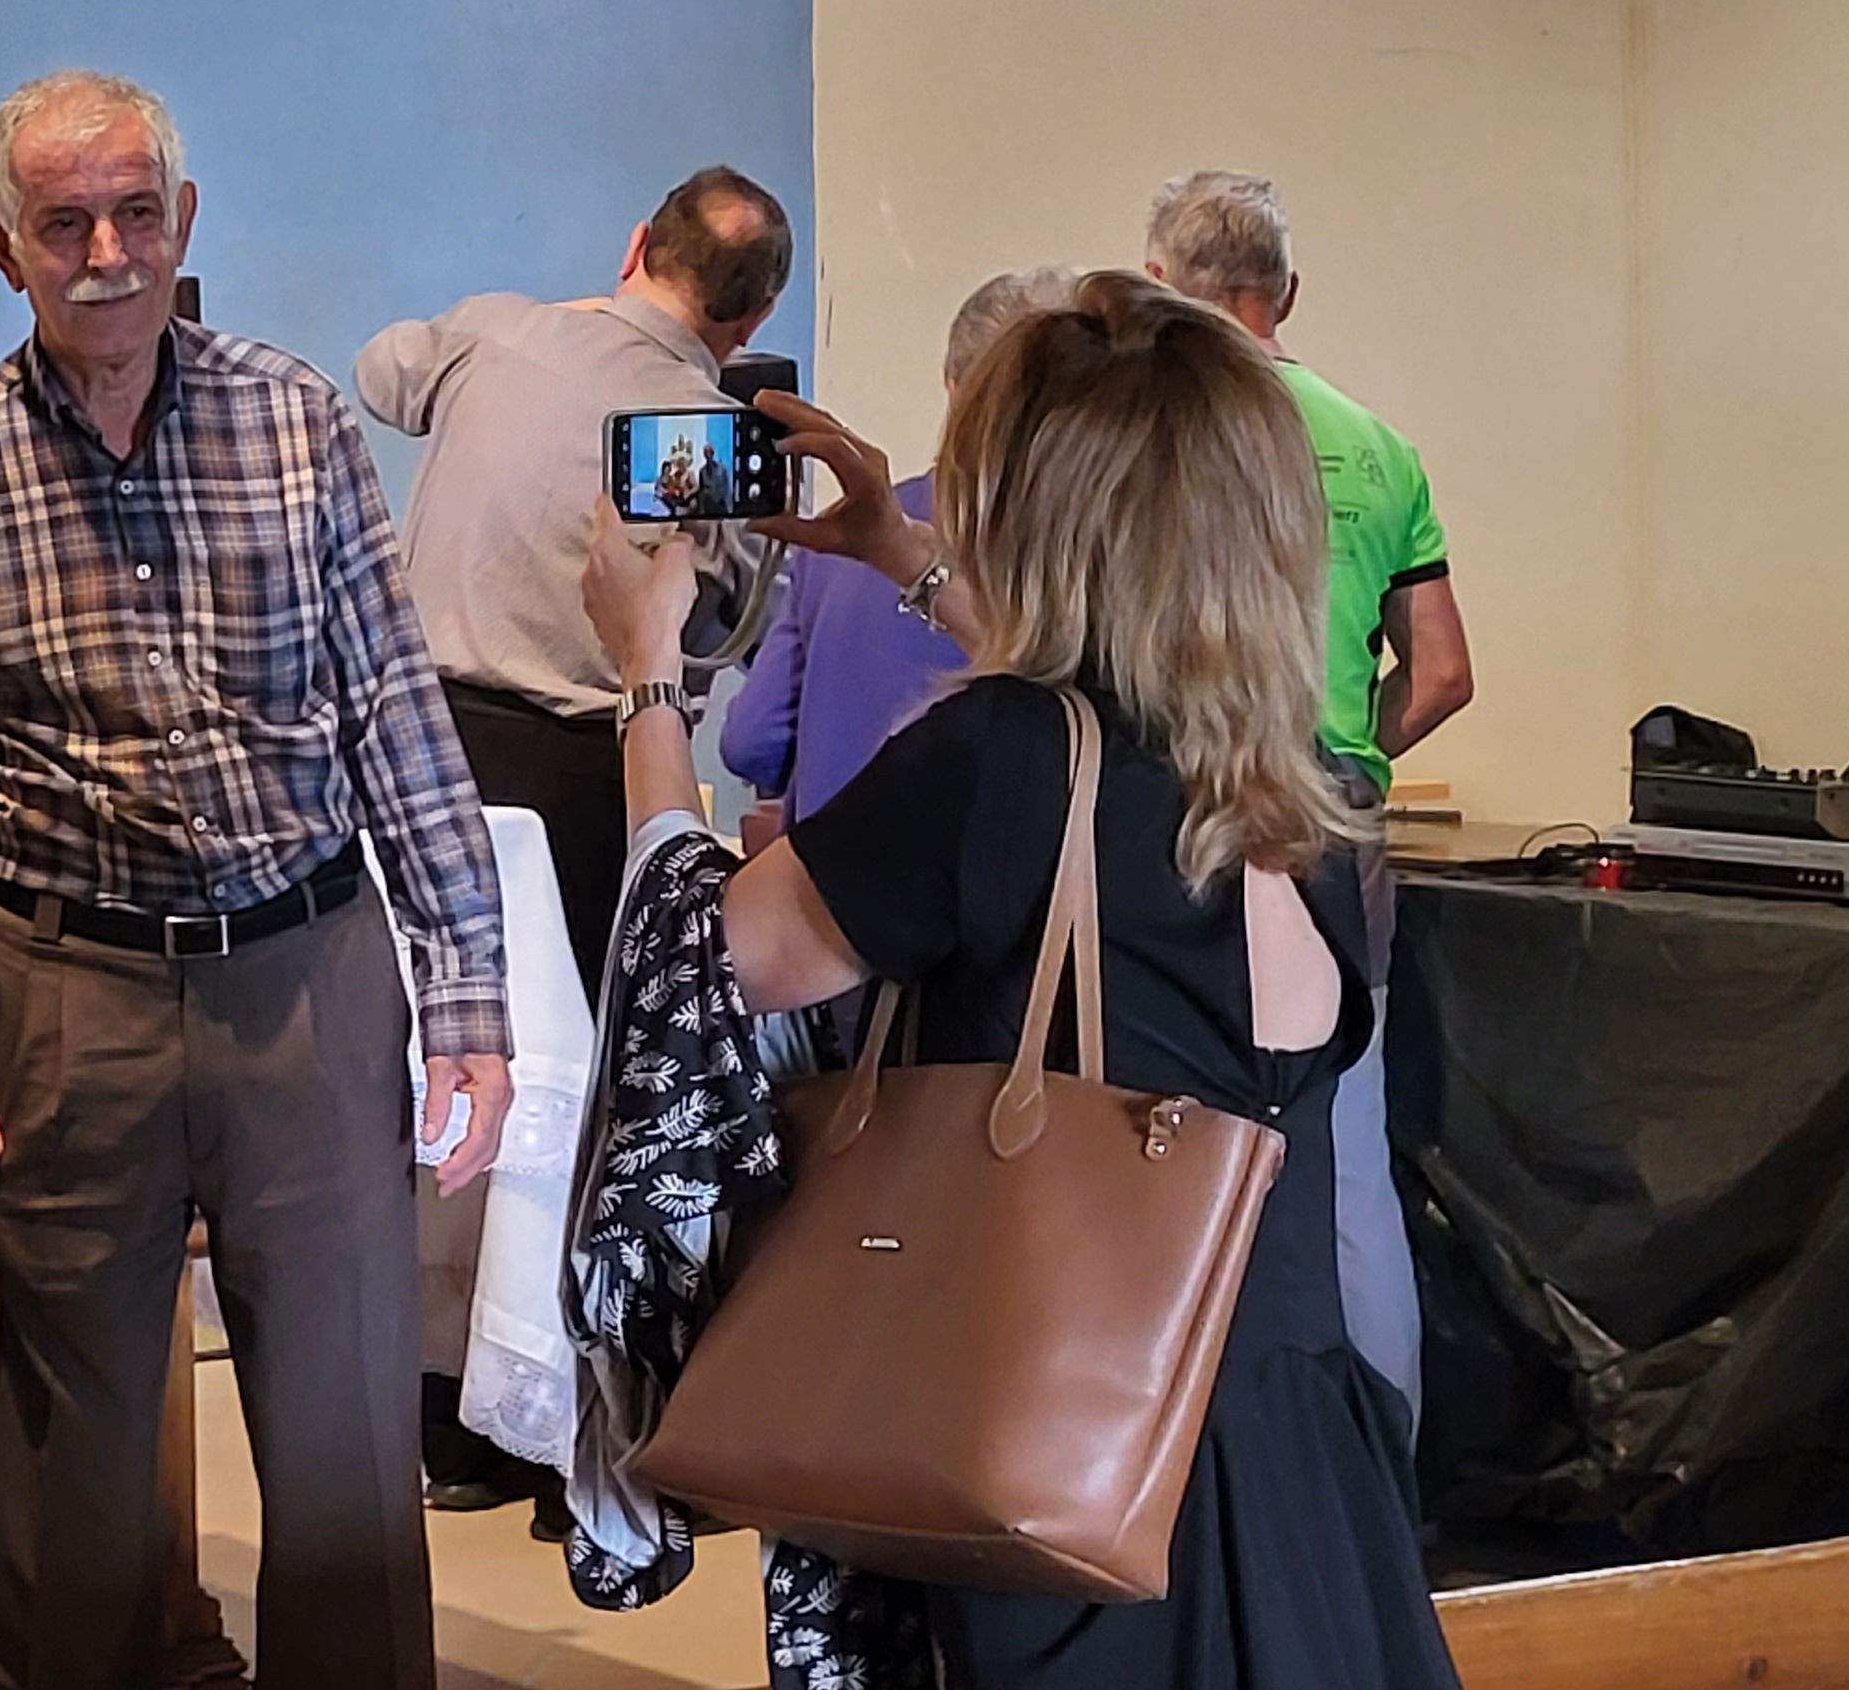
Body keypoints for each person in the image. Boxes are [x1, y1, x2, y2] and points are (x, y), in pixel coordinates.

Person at [581, 270, 1461, 1688]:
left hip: (1062, 1462)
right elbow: (1091, 712)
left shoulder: (996, 761)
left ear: (1023, 508)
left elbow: (705, 960)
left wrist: (648, 686)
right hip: (1288, 1464)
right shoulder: (1295, 784)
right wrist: (891, 552)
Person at [0, 68, 512, 1690]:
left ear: (184, 221)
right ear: (5, 246)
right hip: (67, 992)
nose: (104, 252)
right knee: (74, 1468)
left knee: (348, 1432)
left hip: (307, 970)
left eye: (135, 213)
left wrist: (468, 996)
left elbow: (391, 708)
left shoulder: (293, 419)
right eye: (63, 222)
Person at [355, 165, 790, 1526]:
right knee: (602, 1112)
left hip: (418, 770)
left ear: (632, 245)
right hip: (580, 768)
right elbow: (712, 621)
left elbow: (378, 372)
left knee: (436, 1109)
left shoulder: (497, 328)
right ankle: (575, 1439)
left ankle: (443, 1426)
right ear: (750, 312)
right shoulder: (699, 429)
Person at [1146, 169, 1473, 1416]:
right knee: (1345, 1157)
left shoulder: (1166, 432)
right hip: (1335, 813)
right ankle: (1377, 1459)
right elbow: (1440, 671)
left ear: (1166, 289)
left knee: (1170, 1138)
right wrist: (1353, 748)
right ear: (1286, 293)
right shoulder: (1381, 447)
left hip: (1185, 801)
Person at [719, 262, 1070, 835]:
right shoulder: (1099, 565)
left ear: (953, 387)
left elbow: (750, 742)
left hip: (822, 893)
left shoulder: (843, 538)